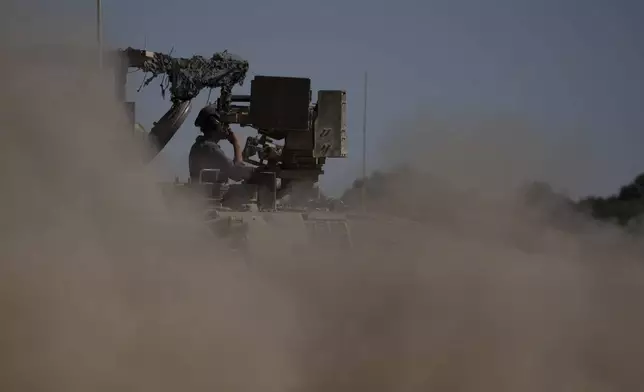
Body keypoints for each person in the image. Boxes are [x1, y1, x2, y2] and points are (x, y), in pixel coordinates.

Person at [188, 104, 254, 183]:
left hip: (202, 192)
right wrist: (236, 144)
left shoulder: (199, 146)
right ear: (217, 125)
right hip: (209, 193)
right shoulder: (210, 148)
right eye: (225, 124)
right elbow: (237, 174)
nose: (228, 128)